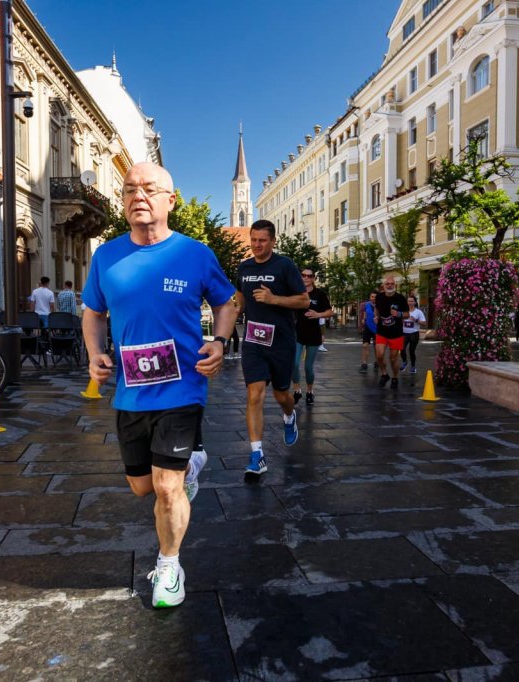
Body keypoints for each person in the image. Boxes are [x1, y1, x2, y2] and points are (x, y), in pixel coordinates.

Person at [82, 162, 236, 609]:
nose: (138, 196)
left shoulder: (194, 254)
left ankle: (169, 565)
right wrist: (95, 354)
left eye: (150, 189)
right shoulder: (106, 256)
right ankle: (191, 464)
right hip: (131, 391)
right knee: (142, 487)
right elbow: (93, 313)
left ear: (171, 200)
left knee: (167, 487)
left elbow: (226, 302)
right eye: (130, 189)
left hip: (183, 386)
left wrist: (220, 342)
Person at [235, 219, 310, 477]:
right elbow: (240, 298)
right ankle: (257, 455)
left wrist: (273, 299)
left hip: (281, 340)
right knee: (254, 394)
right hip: (254, 339)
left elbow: (304, 300)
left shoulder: (284, 265)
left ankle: (290, 416)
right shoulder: (243, 267)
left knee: (281, 396)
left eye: (262, 240)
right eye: (253, 240)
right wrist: (234, 310)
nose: (256, 245)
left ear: (273, 241)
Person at [291, 268, 332, 405]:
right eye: (303, 275)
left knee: (308, 367)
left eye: (309, 276)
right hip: (297, 333)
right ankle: (297, 390)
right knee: (294, 364)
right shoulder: (295, 292)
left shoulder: (320, 294)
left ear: (313, 278)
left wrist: (318, 315)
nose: (306, 278)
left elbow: (330, 312)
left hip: (313, 334)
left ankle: (310, 391)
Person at [374, 276, 408, 389]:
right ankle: (384, 374)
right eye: (387, 284)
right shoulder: (379, 297)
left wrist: (398, 314)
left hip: (396, 333)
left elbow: (407, 314)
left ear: (395, 286)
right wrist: (376, 316)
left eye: (391, 284)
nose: (389, 285)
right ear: (384, 286)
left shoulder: (401, 298)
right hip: (382, 331)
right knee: (379, 355)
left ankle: (395, 377)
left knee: (393, 358)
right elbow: (377, 308)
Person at [401, 295, 426, 373]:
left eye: (412, 301)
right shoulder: (404, 311)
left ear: (415, 302)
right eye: (408, 301)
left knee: (411, 351)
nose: (410, 303)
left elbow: (424, 323)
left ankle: (413, 366)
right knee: (401, 349)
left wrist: (416, 320)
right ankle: (405, 361)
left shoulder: (418, 312)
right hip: (404, 333)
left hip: (414, 334)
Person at [358, 291, 377, 372]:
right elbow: (365, 314)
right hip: (367, 327)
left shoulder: (380, 305)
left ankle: (377, 362)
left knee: (377, 347)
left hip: (377, 328)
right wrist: (363, 321)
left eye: (375, 297)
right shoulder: (366, 305)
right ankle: (364, 364)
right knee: (365, 346)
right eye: (372, 296)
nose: (374, 298)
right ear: (370, 297)